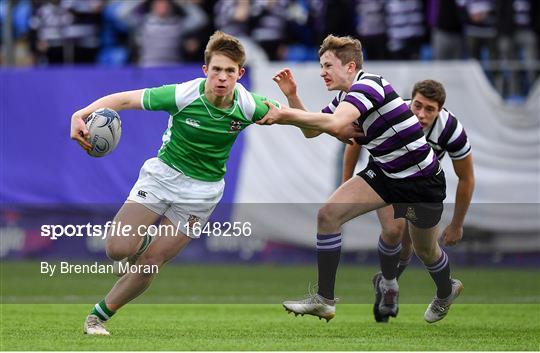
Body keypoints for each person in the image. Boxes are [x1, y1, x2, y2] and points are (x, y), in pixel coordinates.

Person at [70, 31, 283, 336]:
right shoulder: (183, 94)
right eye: (217, 69)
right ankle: (137, 245)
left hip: (203, 192)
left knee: (151, 262)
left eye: (230, 71)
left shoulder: (250, 105)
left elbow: (304, 123)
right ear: (205, 70)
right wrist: (82, 113)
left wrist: (294, 98)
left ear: (240, 74)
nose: (222, 77)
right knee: (117, 249)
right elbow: (127, 98)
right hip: (162, 176)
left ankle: (96, 318)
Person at [261, 35, 463, 324]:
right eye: (321, 66)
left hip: (420, 182)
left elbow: (333, 124)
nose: (323, 72)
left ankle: (446, 291)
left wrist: (282, 114)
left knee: (426, 251)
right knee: (328, 215)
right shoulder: (346, 97)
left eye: (328, 65)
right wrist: (292, 97)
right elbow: (312, 130)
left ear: (350, 65)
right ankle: (325, 300)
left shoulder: (368, 84)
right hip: (385, 173)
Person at [340, 80, 475, 322]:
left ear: (440, 110)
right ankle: (389, 286)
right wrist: (346, 182)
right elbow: (354, 142)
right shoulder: (391, 111)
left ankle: (394, 283)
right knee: (394, 229)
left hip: (419, 187)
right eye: (417, 106)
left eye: (430, 109)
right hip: (385, 176)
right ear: (409, 101)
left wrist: (457, 223)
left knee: (416, 247)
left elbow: (466, 178)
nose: (422, 115)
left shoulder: (450, 130)